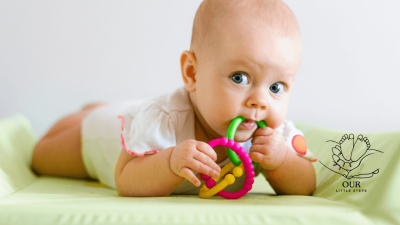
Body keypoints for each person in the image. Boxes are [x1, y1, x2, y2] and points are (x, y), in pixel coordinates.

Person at [32, 0, 318, 197]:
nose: (260, 101)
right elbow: (125, 179)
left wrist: (281, 162)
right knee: (41, 156)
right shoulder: (164, 120)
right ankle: (93, 111)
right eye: (239, 78)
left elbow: (307, 183)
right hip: (106, 136)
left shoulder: (273, 136)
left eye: (277, 87)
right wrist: (169, 162)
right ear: (192, 73)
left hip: (137, 112)